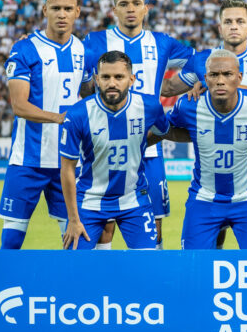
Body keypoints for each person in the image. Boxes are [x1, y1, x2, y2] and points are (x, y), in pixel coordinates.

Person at [0, 0, 88, 332]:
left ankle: (73, 320)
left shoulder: (83, 51)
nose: (61, 14)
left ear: (78, 12)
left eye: (68, 8)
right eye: (55, 8)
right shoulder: (25, 49)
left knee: (76, 242)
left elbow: (101, 86)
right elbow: (19, 105)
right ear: (44, 9)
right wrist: (64, 118)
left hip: (65, 164)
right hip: (27, 163)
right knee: (11, 243)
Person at [161, 0, 247, 248]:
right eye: (228, 21)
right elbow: (167, 87)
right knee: (214, 231)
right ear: (219, 27)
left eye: (240, 21)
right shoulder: (202, 61)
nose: (234, 26)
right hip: (210, 148)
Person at [82, 0, 194, 249]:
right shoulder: (95, 41)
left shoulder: (162, 42)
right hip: (107, 143)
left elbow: (203, 61)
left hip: (149, 145)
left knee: (155, 221)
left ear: (146, 8)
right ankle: (104, 283)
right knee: (104, 221)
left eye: (136, 3)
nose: (130, 9)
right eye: (123, 4)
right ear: (114, 10)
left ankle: (152, 281)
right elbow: (79, 76)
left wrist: (190, 82)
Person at [60, 51, 170, 250]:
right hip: (90, 201)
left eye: (119, 77)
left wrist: (139, 144)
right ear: (96, 80)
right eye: (105, 77)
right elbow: (67, 169)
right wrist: (73, 219)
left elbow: (162, 131)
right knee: (72, 269)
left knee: (149, 266)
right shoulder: (78, 114)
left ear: (131, 79)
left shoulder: (150, 106)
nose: (112, 83)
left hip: (134, 198)